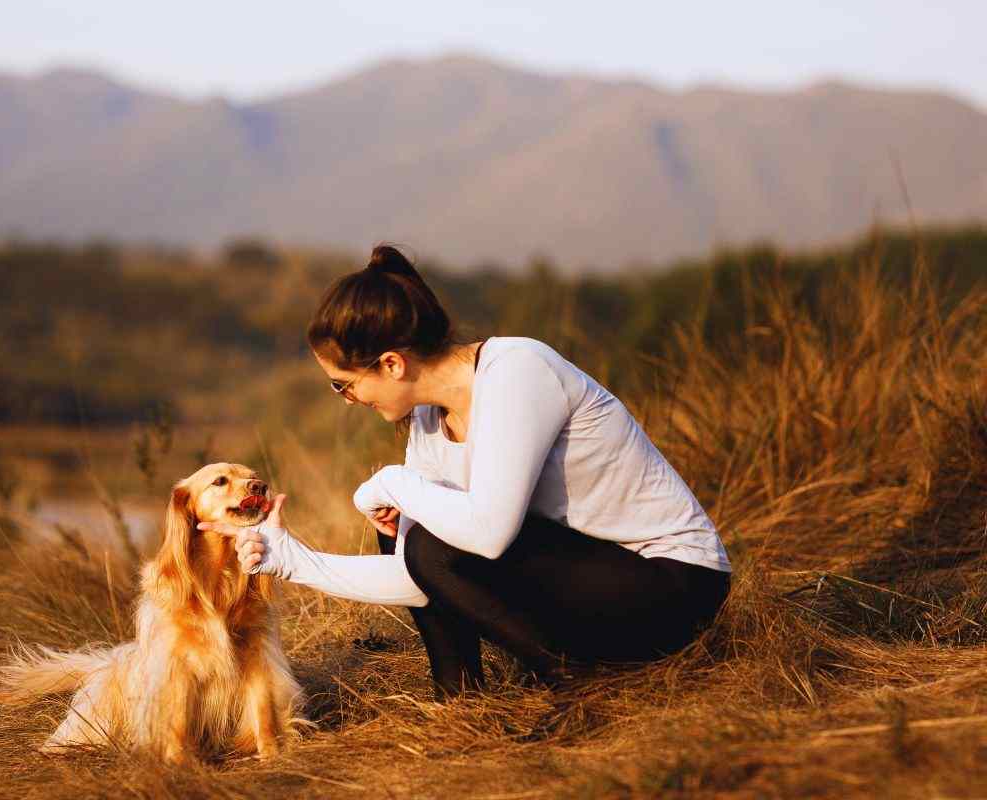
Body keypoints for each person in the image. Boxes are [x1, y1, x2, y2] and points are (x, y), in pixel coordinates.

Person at [199, 245, 732, 697]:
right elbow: (423, 575)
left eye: (344, 383)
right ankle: (460, 695)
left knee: (428, 529)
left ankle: (577, 683)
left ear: (391, 363)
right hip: (591, 582)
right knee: (409, 534)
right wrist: (293, 560)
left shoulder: (518, 370)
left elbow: (488, 534)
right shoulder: (427, 421)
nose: (346, 399)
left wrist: (394, 483)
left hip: (672, 587)